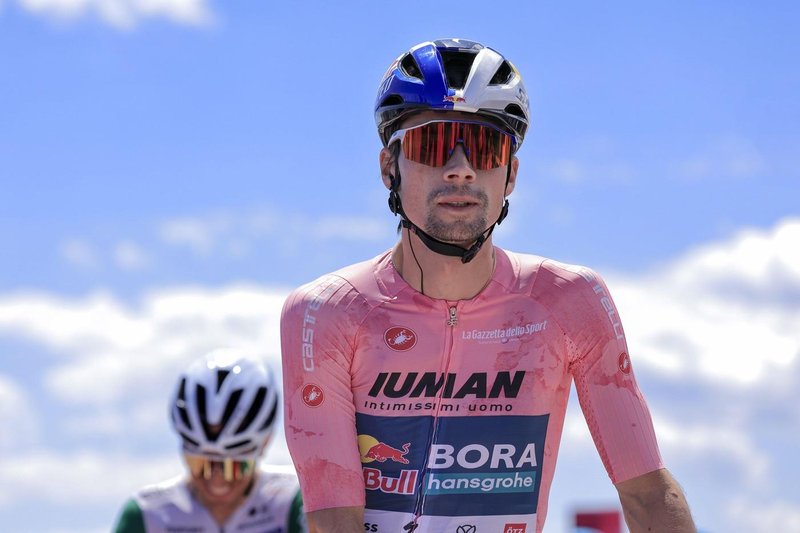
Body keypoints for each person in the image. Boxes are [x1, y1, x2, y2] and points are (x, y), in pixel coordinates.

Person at [280, 38, 696, 533]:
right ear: (390, 167)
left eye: (484, 148)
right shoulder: (325, 312)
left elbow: (648, 494)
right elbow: (334, 518)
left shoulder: (569, 300)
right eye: (433, 145)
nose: (461, 169)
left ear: (511, 174)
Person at [113, 350, 308, 533]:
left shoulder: (294, 502)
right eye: (200, 465)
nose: (217, 481)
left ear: (265, 443)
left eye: (235, 467)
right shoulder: (145, 515)